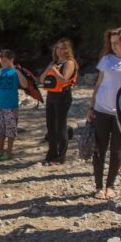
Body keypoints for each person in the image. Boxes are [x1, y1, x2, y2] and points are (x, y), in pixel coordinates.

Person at [88, 28, 121, 199]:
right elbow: (98, 84)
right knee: (99, 149)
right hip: (101, 109)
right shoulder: (106, 59)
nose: (114, 46)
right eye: (111, 43)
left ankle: (110, 185)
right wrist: (91, 107)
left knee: (117, 149)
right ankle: (98, 186)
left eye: (117, 42)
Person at [41, 38, 77, 166]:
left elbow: (63, 80)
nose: (60, 51)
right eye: (58, 48)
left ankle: (61, 157)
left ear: (67, 50)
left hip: (63, 96)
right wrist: (49, 69)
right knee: (50, 125)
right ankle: (51, 154)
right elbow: (41, 79)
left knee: (60, 125)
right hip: (51, 96)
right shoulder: (54, 62)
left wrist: (55, 71)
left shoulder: (70, 63)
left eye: (62, 48)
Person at [0, 49, 29, 161]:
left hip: (11, 106)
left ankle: (9, 152)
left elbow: (25, 85)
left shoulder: (15, 71)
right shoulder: (0, 71)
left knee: (10, 130)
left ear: (11, 59)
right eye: (2, 61)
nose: (4, 63)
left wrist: (17, 72)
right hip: (0, 105)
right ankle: (0, 151)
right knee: (0, 129)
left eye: (6, 61)